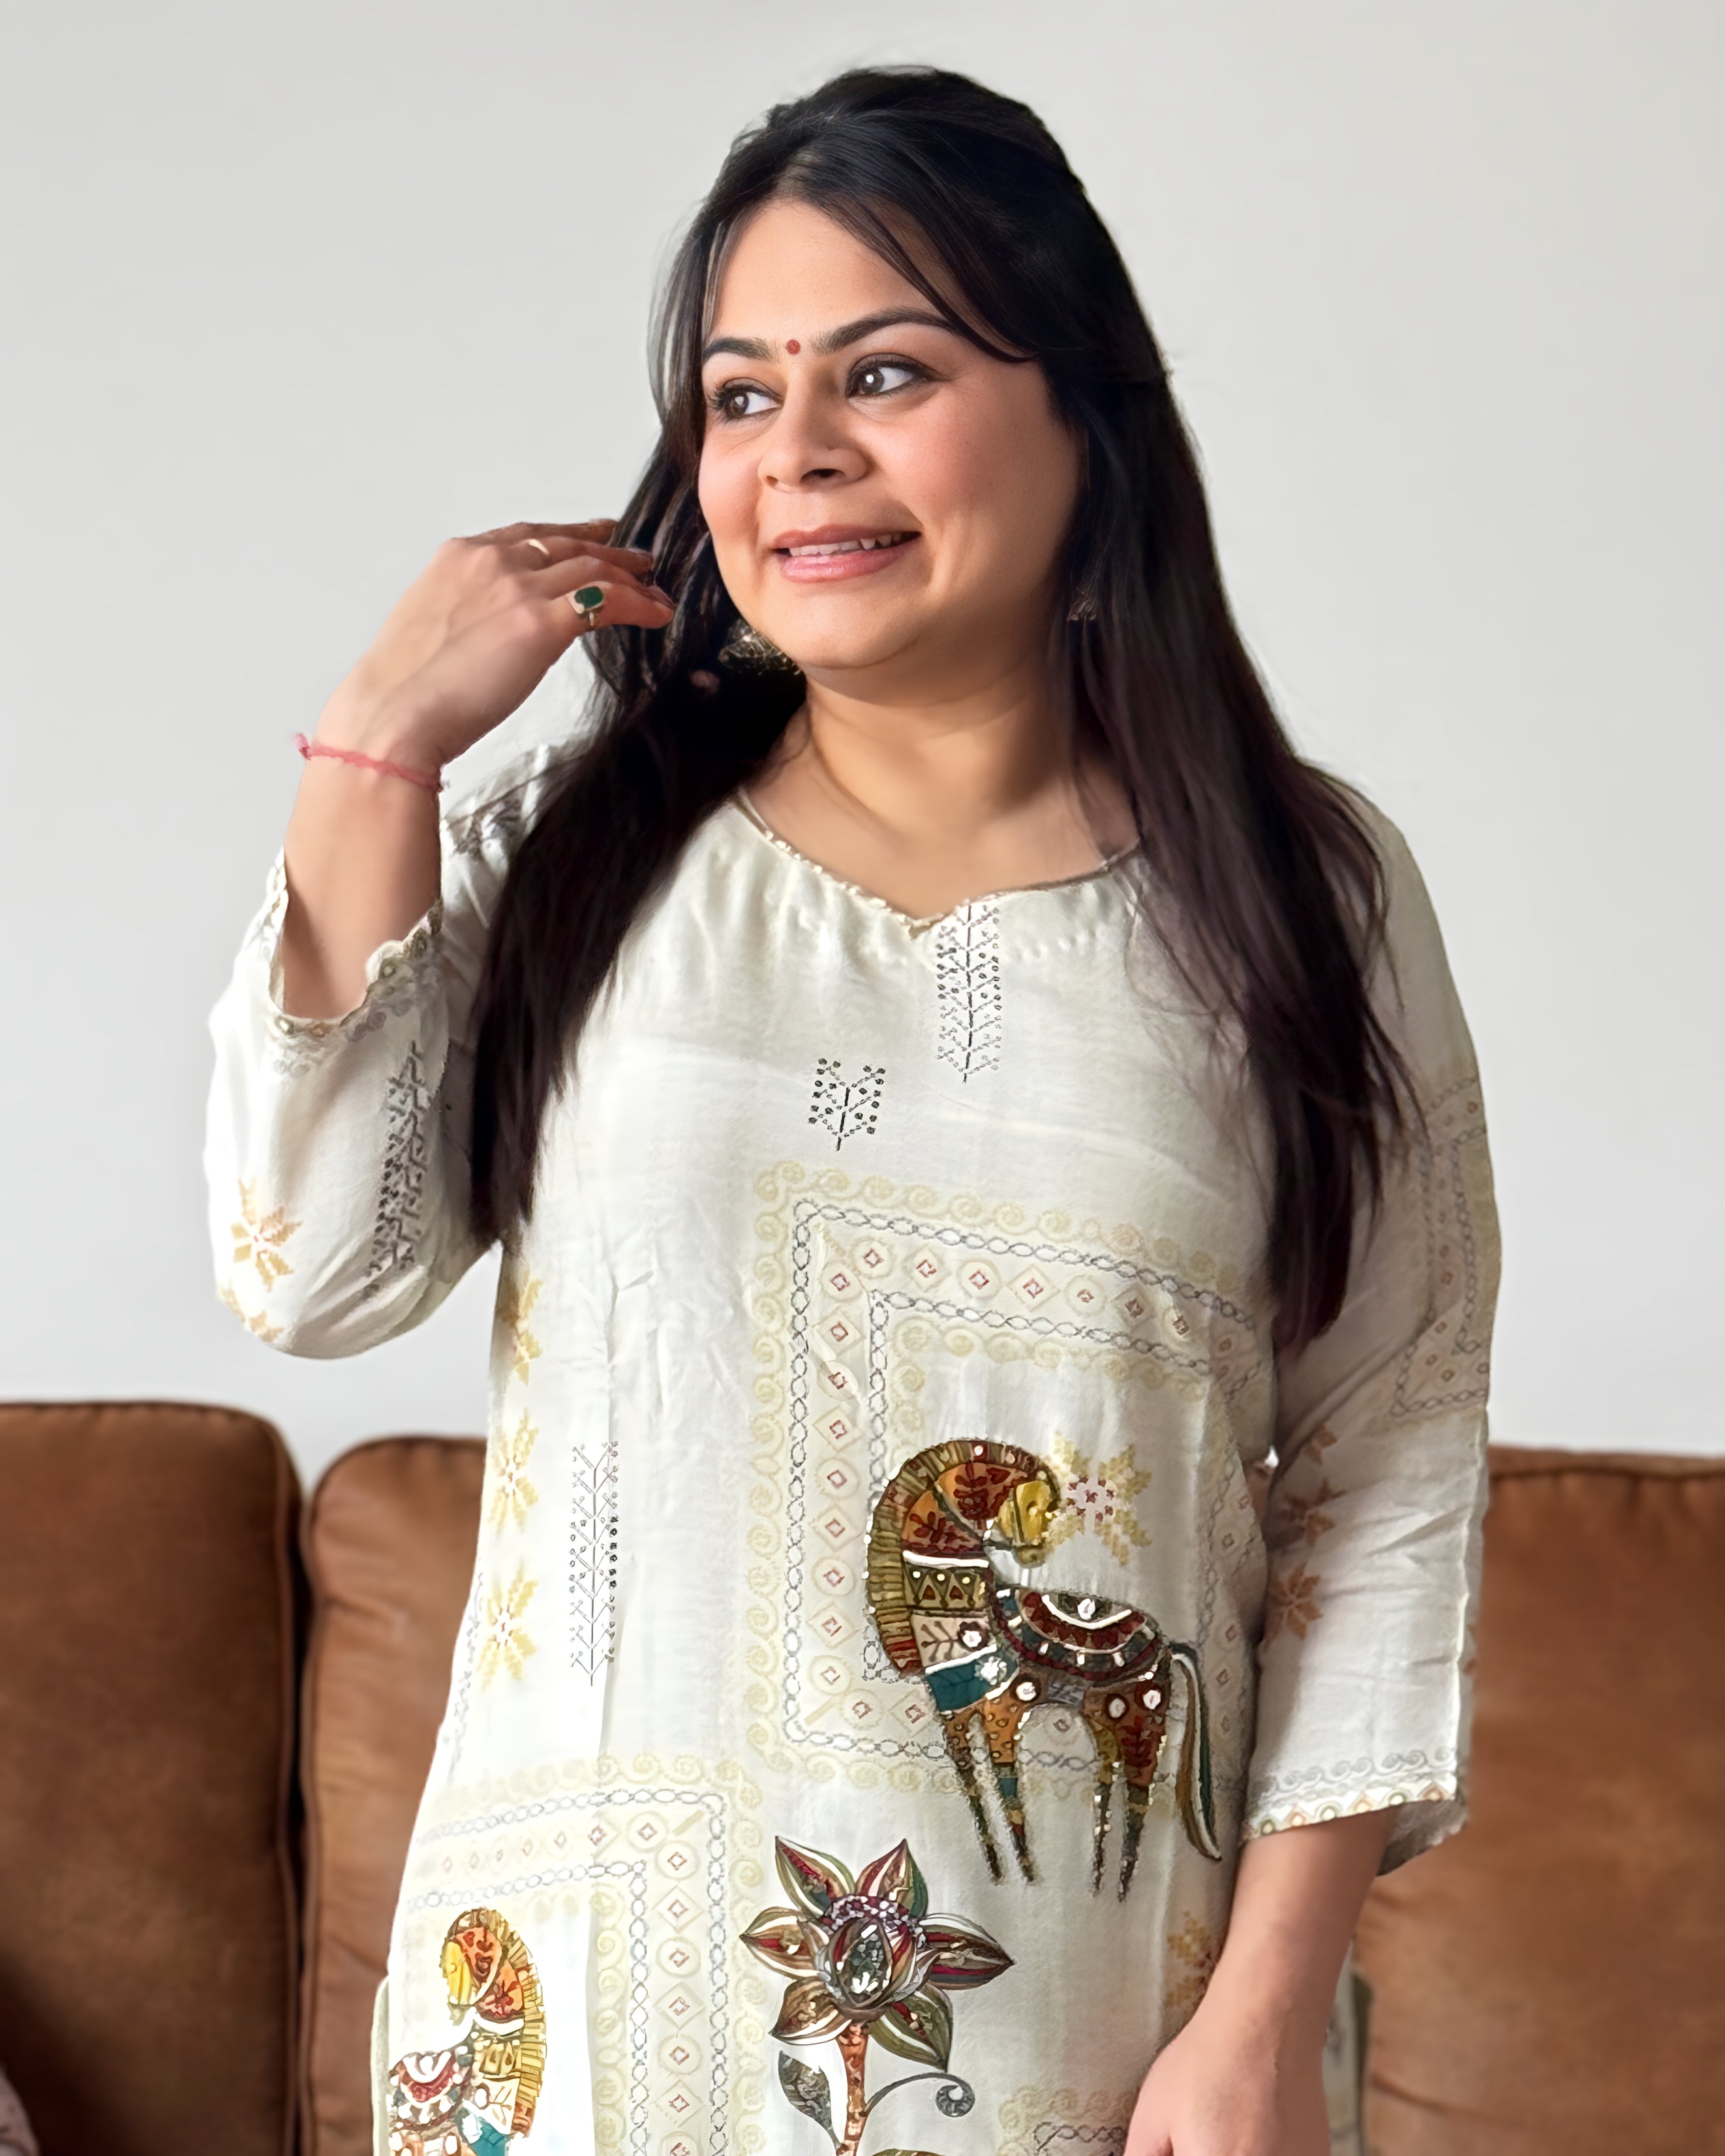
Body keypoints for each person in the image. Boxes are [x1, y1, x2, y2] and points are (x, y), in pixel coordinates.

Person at [206, 66, 1499, 2156]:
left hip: (1097, 2047)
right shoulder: (581, 845)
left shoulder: (1300, 892)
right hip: (576, 2053)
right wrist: (373, 757)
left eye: (883, 371)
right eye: (737, 395)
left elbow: (1384, 1467)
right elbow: (307, 1269)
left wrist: (1265, 2014)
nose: (796, 451)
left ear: (1086, 406)